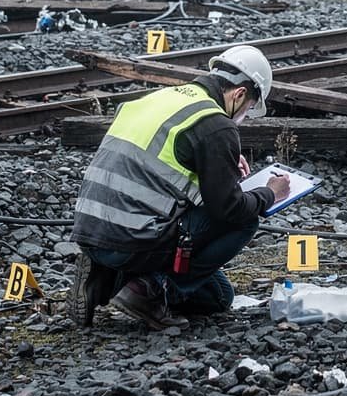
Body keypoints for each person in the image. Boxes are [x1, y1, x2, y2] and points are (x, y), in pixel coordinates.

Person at [69, 44, 291, 332]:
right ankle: (149, 291)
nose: (244, 116)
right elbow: (228, 209)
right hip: (130, 239)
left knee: (219, 297)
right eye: (248, 109)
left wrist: (217, 161)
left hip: (92, 229)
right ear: (239, 94)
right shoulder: (216, 124)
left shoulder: (163, 98)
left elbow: (155, 164)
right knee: (245, 220)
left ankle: (105, 279)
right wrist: (270, 193)